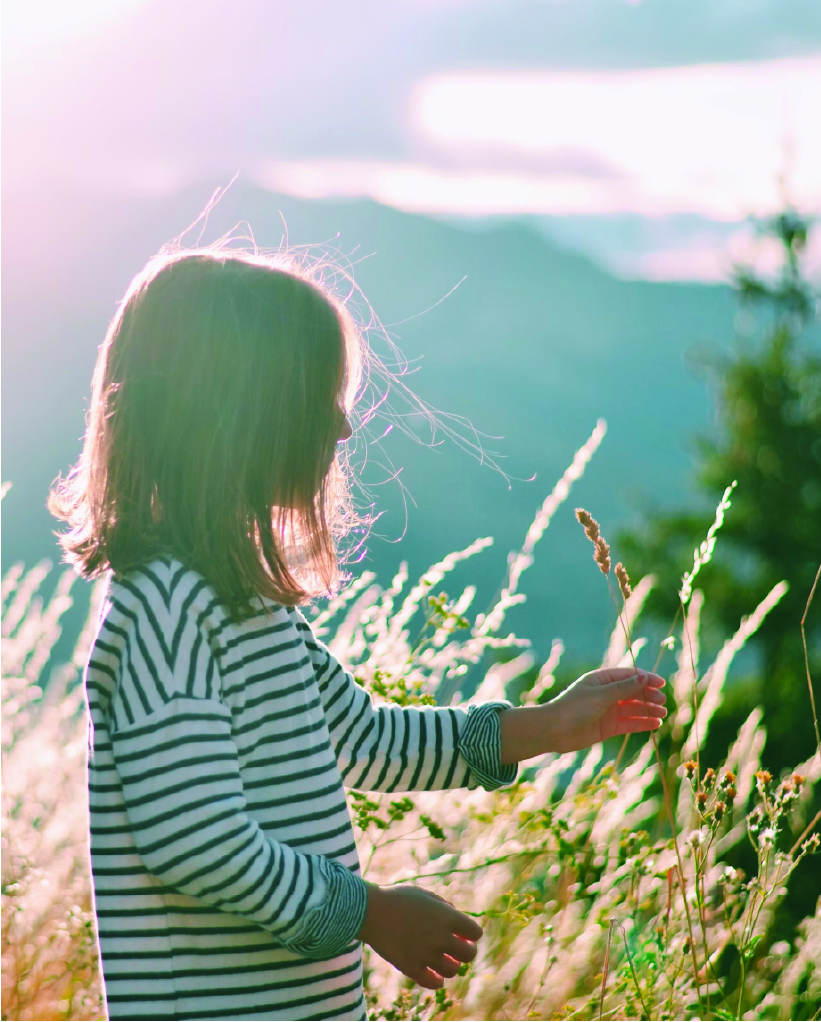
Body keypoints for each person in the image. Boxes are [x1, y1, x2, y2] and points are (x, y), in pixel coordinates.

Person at [50, 248, 667, 1022]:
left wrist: (546, 726)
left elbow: (363, 736)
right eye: (317, 398)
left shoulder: (248, 604)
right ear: (235, 414)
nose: (342, 425)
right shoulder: (166, 609)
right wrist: (371, 913)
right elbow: (196, 842)